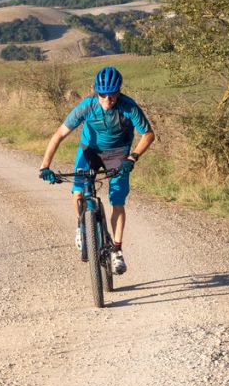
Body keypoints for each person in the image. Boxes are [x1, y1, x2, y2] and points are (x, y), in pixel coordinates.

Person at [38, 66, 154, 275]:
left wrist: (132, 157)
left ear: (119, 91)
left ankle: (117, 250)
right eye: (102, 95)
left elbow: (148, 135)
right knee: (78, 191)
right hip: (89, 151)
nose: (107, 100)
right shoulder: (87, 106)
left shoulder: (129, 107)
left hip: (118, 153)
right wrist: (45, 166)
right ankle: (82, 226)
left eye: (112, 95)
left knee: (117, 200)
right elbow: (59, 135)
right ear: (96, 92)